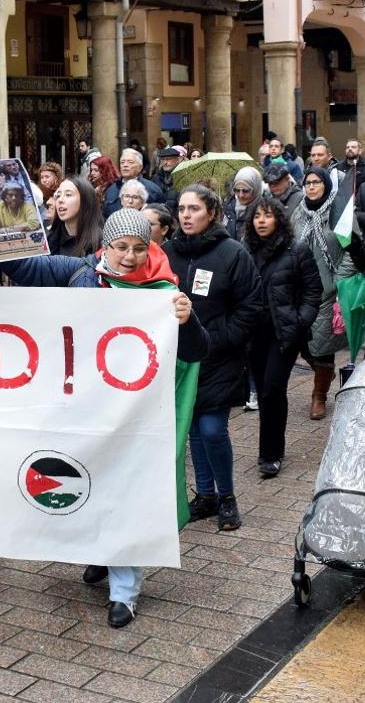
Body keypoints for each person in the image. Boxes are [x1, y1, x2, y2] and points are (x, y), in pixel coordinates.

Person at [1, 208, 200, 628]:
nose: (130, 257)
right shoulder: (80, 274)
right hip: (85, 410)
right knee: (88, 484)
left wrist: (188, 320)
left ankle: (124, 592)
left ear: (151, 248)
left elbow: (198, 351)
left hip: (135, 418)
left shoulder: (165, 291)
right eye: (121, 247)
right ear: (104, 247)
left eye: (139, 248)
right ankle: (99, 555)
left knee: (128, 493)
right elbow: (18, 264)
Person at [166, 184, 262, 532]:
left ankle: (227, 497)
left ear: (212, 213)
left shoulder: (233, 253)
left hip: (219, 357)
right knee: (191, 426)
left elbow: (251, 308)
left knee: (211, 428)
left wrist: (218, 339)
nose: (187, 215)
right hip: (180, 360)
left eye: (194, 209)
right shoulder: (167, 252)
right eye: (182, 209)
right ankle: (205, 494)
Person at [243, 196, 322, 477]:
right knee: (266, 391)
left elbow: (314, 290)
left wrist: (301, 321)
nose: (261, 221)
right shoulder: (245, 250)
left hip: (284, 333)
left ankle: (270, 454)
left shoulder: (296, 250)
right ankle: (274, 444)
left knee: (272, 389)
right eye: (257, 216)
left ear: (278, 219)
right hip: (254, 333)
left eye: (267, 215)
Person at [294, 166, 365, 419]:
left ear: (326, 185)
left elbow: (353, 249)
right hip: (300, 288)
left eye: (316, 182)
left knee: (322, 345)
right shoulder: (298, 213)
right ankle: (323, 374)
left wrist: (338, 279)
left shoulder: (340, 212)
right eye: (308, 183)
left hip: (328, 287)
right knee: (302, 342)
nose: (311, 187)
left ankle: (319, 396)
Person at [47, 176, 103, 257]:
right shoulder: (50, 239)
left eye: (68, 195)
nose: (60, 200)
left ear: (85, 200)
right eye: (58, 195)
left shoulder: (100, 243)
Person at [103, 149, 164, 216]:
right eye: (122, 162)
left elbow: (160, 218)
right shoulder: (111, 190)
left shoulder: (153, 190)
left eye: (130, 162)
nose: (125, 165)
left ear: (140, 167)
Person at [223, 166, 263, 243]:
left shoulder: (265, 211)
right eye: (237, 190)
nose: (240, 195)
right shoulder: (229, 206)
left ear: (256, 189)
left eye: (246, 191)